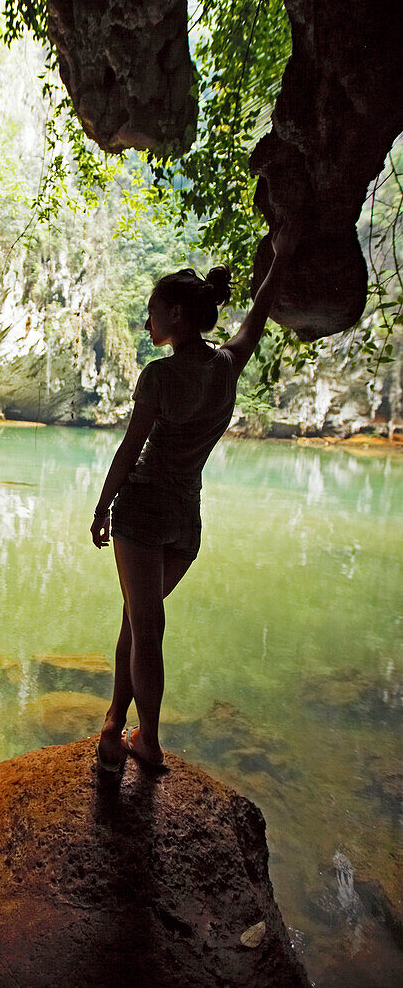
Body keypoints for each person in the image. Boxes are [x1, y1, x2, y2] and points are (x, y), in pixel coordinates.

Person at [90, 224, 298, 773]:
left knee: (145, 630)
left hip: (143, 513)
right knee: (138, 622)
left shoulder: (159, 376)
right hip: (186, 524)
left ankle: (146, 741)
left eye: (153, 312)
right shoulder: (226, 367)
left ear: (177, 315)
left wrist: (100, 506)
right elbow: (257, 315)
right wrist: (283, 255)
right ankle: (114, 725)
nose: (147, 321)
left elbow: (129, 450)